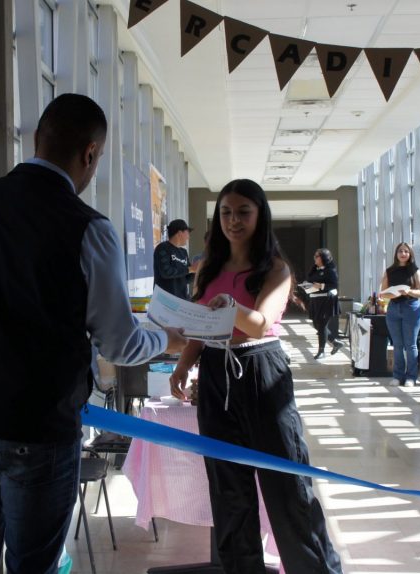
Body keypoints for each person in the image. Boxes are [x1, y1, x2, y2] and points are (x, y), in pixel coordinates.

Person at [0, 93, 187, 573]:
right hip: (37, 429)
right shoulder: (88, 228)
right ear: (90, 153)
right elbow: (120, 343)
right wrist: (168, 340)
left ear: (36, 140)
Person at [167, 179, 342, 574]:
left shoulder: (275, 269)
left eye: (243, 212)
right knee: (228, 491)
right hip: (216, 374)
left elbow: (260, 324)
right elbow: (200, 327)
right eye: (226, 212)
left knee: (288, 488)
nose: (234, 220)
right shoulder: (208, 268)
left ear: (260, 215)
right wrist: (183, 365)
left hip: (262, 371)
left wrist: (232, 307)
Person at [379, 242, 420, 386]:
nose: (403, 254)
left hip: (411, 308)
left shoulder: (415, 271)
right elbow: (383, 293)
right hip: (394, 308)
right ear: (396, 254)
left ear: (410, 254)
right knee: (397, 344)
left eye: (406, 251)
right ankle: (398, 376)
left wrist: (408, 291)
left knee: (410, 345)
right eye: (400, 251)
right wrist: (393, 294)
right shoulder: (389, 271)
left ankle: (411, 377)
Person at [306, 248, 341, 359]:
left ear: (323, 258)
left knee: (322, 325)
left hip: (326, 300)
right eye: (315, 256)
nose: (314, 258)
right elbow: (310, 280)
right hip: (315, 300)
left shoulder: (330, 270)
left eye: (317, 256)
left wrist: (321, 286)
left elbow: (334, 285)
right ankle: (335, 342)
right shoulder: (314, 269)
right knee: (317, 325)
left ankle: (321, 351)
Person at [154, 218, 197, 299]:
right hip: (164, 300)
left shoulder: (183, 252)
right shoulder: (162, 248)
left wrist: (196, 270)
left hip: (181, 299)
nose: (188, 237)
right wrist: (190, 269)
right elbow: (166, 272)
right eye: (188, 232)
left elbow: (185, 279)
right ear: (180, 233)